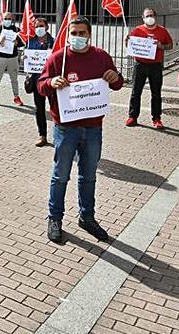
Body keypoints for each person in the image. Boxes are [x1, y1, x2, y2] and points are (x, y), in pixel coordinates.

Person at [37, 17, 124, 244]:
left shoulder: (101, 57)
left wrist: (116, 77)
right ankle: (55, 218)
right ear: (68, 35)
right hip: (66, 128)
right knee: (60, 176)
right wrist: (51, 83)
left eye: (82, 33)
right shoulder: (58, 58)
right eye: (73, 33)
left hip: (93, 127)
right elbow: (40, 85)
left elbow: (117, 83)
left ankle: (87, 217)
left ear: (89, 35)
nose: (77, 37)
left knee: (89, 176)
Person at [125, 8, 174, 129]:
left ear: (155, 17)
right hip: (140, 65)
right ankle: (133, 117)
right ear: (143, 18)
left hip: (155, 66)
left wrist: (161, 46)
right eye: (147, 16)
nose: (149, 17)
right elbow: (130, 45)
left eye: (151, 15)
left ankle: (156, 118)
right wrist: (127, 41)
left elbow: (170, 45)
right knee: (136, 92)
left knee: (156, 93)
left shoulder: (162, 31)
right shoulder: (137, 30)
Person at [25, 17, 54, 146]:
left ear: (47, 27)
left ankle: (60, 135)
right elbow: (27, 60)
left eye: (41, 26)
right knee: (40, 109)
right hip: (37, 81)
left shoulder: (53, 42)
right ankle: (42, 135)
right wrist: (24, 58)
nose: (39, 29)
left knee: (56, 109)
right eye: (37, 26)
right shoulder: (30, 42)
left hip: (51, 82)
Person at [0, 12, 25, 105]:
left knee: (14, 79)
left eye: (9, 18)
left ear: (12, 19)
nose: (7, 20)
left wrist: (17, 43)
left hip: (13, 58)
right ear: (2, 19)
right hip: (0, 58)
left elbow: (23, 42)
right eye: (5, 18)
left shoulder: (16, 29)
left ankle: (16, 97)